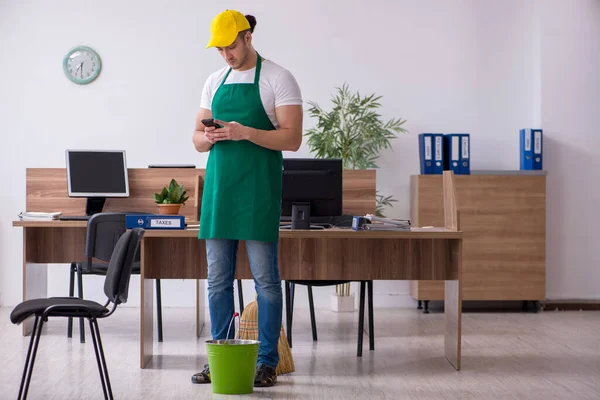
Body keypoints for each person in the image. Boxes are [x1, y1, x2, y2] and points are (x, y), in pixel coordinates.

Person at [191, 9, 303, 387]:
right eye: (220, 49)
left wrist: (244, 133)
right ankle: (219, 358)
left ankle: (267, 362)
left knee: (266, 282)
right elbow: (194, 138)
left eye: (231, 46)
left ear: (248, 37)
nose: (227, 55)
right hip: (220, 191)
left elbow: (292, 139)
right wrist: (209, 136)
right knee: (217, 280)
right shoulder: (213, 80)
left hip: (258, 190)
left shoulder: (278, 78)